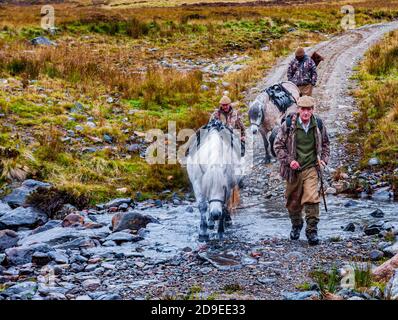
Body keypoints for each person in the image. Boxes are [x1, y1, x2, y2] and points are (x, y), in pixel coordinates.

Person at [273, 96, 330, 245]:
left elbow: (325, 144)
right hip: (293, 170)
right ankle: (296, 225)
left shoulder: (318, 124)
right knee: (293, 202)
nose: (305, 112)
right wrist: (289, 161)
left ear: (312, 110)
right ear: (298, 110)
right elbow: (277, 146)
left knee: (312, 198)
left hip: (311, 168)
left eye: (308, 109)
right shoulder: (288, 125)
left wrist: (324, 160)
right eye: (303, 109)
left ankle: (312, 231)